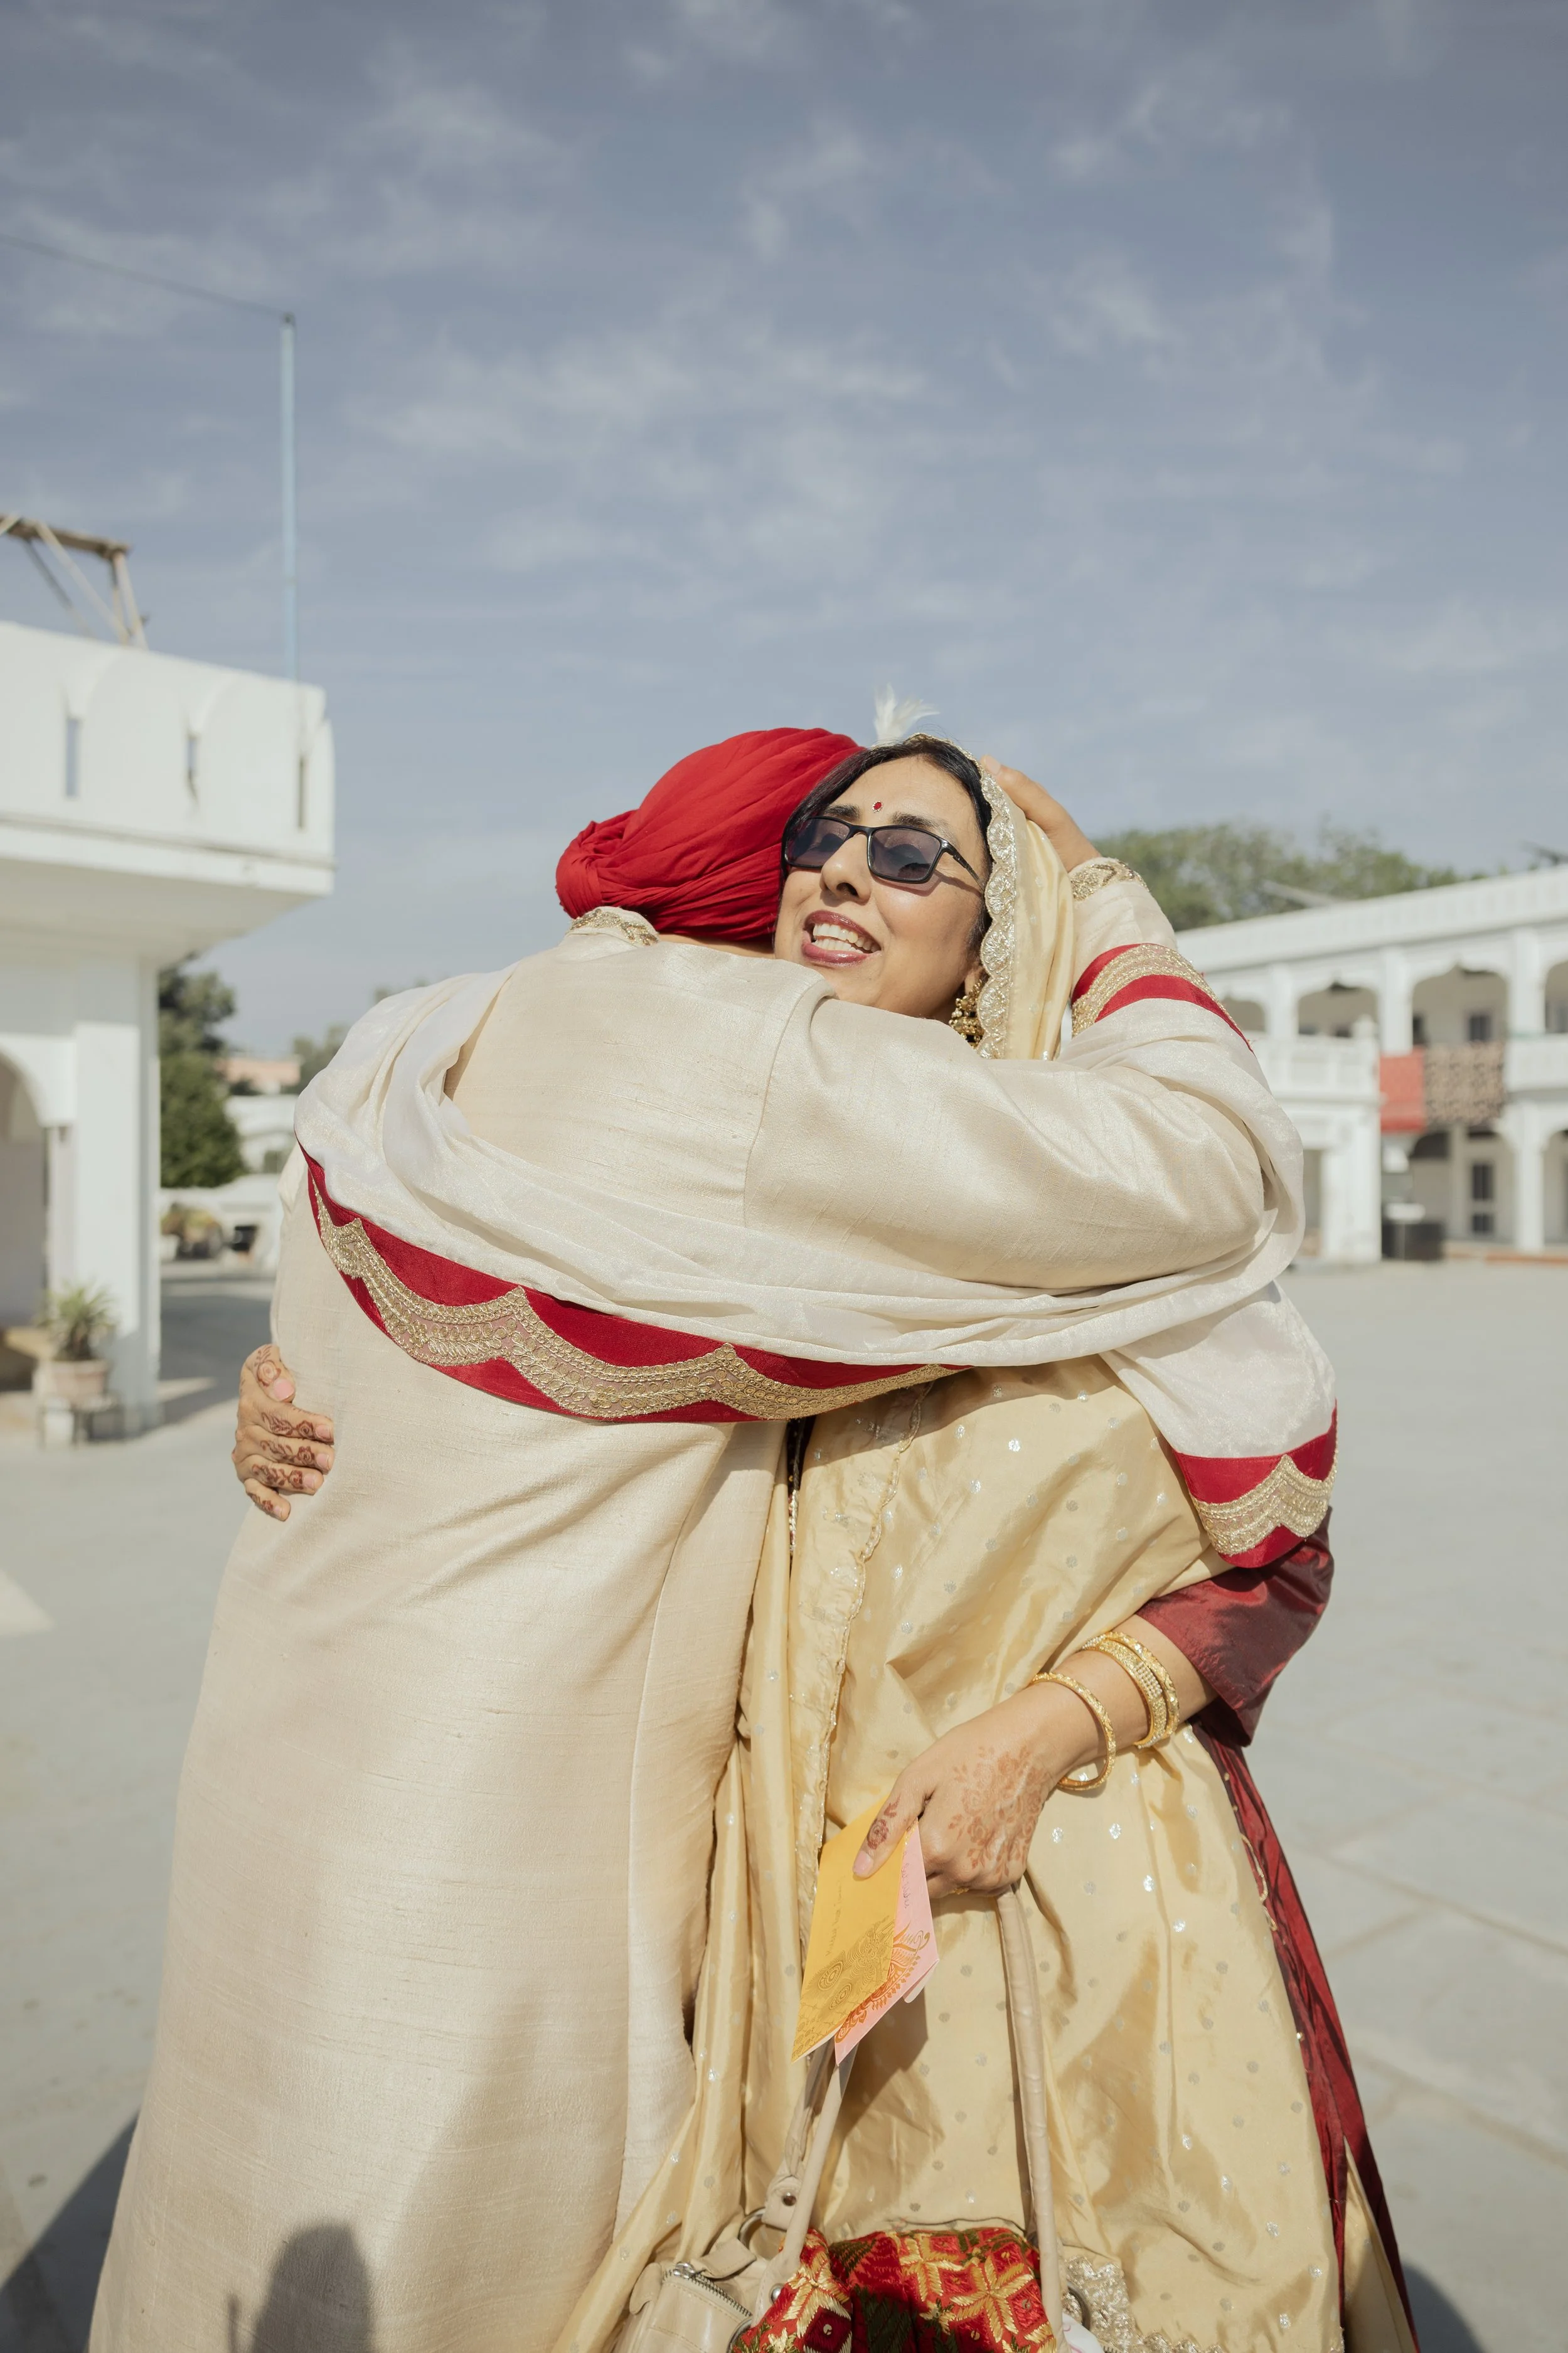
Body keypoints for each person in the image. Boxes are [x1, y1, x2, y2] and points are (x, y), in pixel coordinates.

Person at [101, 724, 1328, 2353]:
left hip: (985, 1915)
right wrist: (1114, 907)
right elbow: (1210, 1163)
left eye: (912, 855)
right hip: (549, 1883)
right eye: (823, 834)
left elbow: (1269, 1557)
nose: (844, 870)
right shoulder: (810, 1100)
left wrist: (1050, 1720)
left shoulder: (420, 1031)